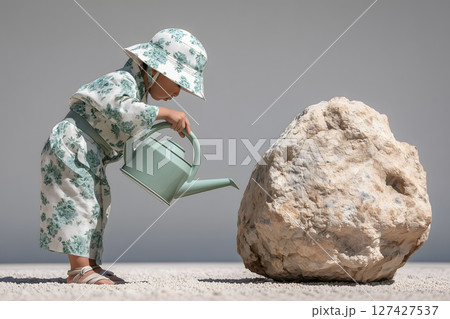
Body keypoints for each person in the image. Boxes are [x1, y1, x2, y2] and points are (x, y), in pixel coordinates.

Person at [39, 28, 207, 285]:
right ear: (155, 69)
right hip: (72, 146)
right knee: (79, 203)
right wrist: (164, 113)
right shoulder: (122, 81)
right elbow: (120, 109)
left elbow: (127, 122)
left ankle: (91, 265)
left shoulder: (137, 90)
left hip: (89, 153)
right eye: (178, 83)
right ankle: (78, 270)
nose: (178, 93)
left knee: (98, 204)